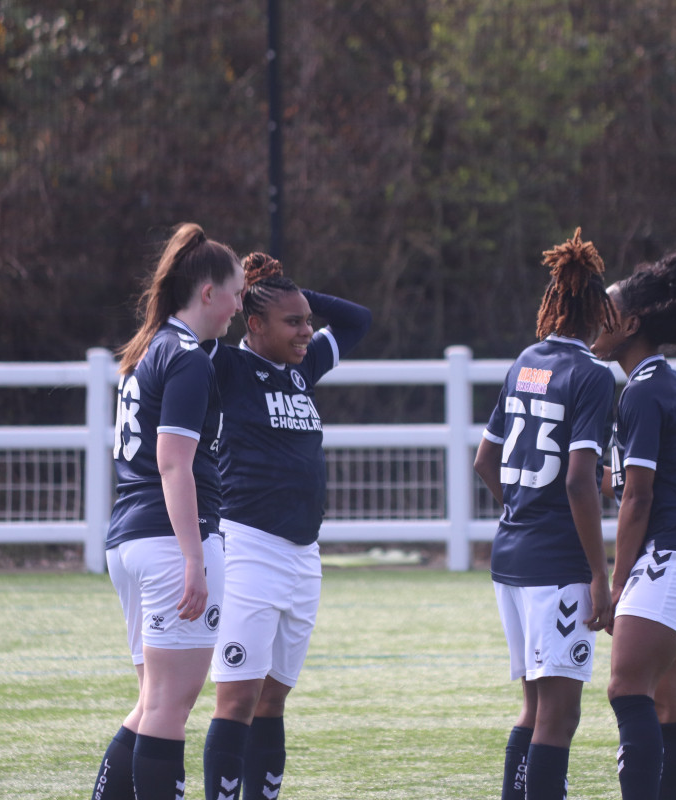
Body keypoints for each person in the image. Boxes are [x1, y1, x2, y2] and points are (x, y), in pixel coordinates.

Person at [203, 253, 371, 800]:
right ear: (254, 326)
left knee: (273, 699)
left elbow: (358, 321)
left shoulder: (302, 366)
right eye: (292, 323)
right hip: (248, 547)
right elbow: (172, 337)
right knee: (237, 700)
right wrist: (255, 292)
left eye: (306, 322)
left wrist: (286, 293)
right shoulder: (225, 365)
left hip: (303, 555)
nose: (306, 332)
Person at [90, 223, 244, 800]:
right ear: (207, 293)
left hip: (127, 540)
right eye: (234, 292)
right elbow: (174, 464)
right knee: (170, 709)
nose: (238, 305)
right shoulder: (186, 358)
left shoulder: (148, 348)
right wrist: (193, 560)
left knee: (152, 702)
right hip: (166, 541)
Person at [473, 228, 617, 800]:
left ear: (554, 302)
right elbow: (581, 480)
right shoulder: (593, 376)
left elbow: (485, 460)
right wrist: (600, 572)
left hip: (510, 557)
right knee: (559, 716)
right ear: (599, 312)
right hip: (556, 565)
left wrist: (521, 513)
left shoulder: (526, 361)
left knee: (534, 708)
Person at [590, 250, 676, 800]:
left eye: (604, 310)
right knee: (669, 702)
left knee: (627, 688)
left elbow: (640, 500)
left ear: (630, 323)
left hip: (673, 554)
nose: (593, 320)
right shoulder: (661, 380)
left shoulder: (642, 391)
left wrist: (619, 583)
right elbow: (632, 483)